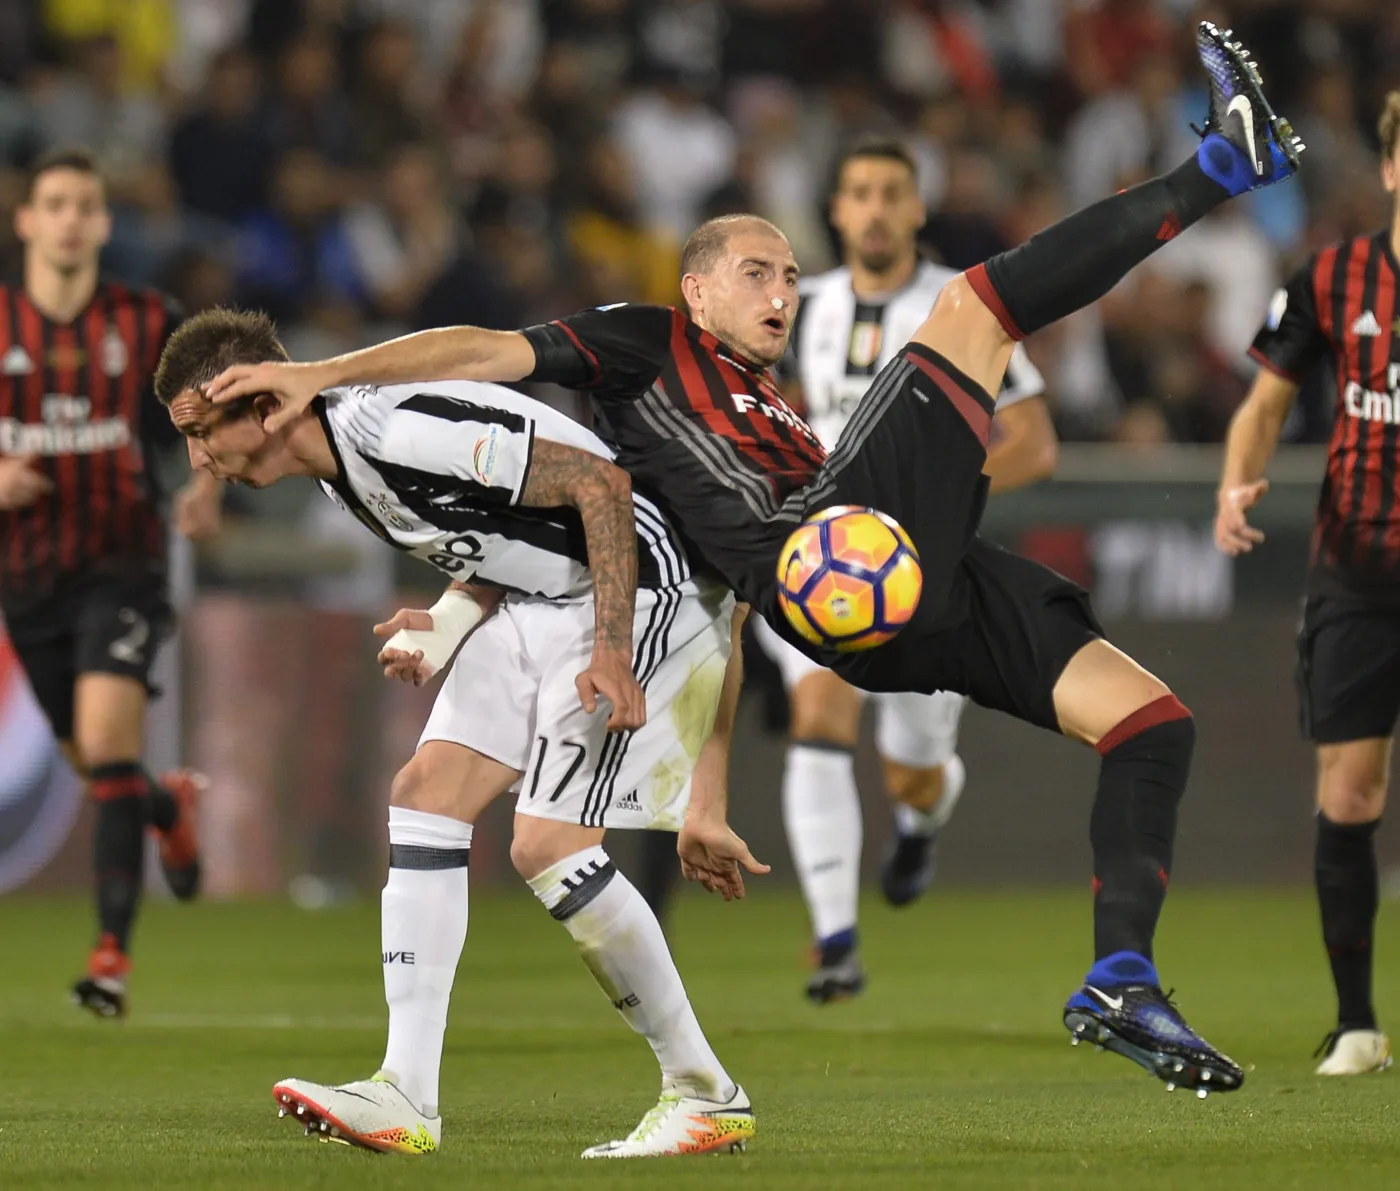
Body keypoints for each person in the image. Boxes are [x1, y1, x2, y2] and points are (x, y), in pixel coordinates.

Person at [206, 25, 1301, 1096]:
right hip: (821, 553)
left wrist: (703, 796)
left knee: (1151, 722)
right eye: (752, 272)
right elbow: (485, 353)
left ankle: (1120, 978)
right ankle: (1222, 161)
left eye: (787, 275)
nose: (780, 293)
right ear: (693, 290)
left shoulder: (769, 409)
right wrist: (322, 373)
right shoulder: (642, 343)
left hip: (878, 588)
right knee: (969, 305)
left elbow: (715, 612)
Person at [154, 308, 758, 1159]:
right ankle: (404, 1093)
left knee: (547, 846)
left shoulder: (394, 428)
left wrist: (616, 650)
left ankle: (704, 1092)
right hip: (549, 596)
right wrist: (444, 620)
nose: (197, 459)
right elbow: (503, 539)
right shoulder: (340, 471)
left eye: (200, 430)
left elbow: (601, 489)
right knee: (425, 796)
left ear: (266, 406)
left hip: (643, 582)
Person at [753, 135, 1058, 1003]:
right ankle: (835, 940)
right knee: (818, 709)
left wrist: (939, 498)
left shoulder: (960, 307)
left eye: (893, 192)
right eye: (860, 193)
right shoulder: (797, 307)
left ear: (918, 207)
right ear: (838, 210)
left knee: (912, 769)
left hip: (924, 568)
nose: (877, 209)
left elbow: (1035, 440)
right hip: (820, 557)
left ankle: (921, 821)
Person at [0, 148, 222, 1018]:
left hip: (122, 561)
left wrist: (203, 488)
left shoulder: (143, 318)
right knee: (95, 759)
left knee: (108, 739)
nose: (68, 219)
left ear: (101, 223)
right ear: (26, 222)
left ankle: (110, 957)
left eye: (84, 205)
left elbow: (200, 420)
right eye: (53, 203)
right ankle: (171, 809)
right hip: (26, 576)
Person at [1214, 90, 1400, 1079]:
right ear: (1388, 167)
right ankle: (1356, 1023)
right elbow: (1265, 399)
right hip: (1357, 571)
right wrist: (1233, 481)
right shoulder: (1335, 277)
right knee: (1348, 787)